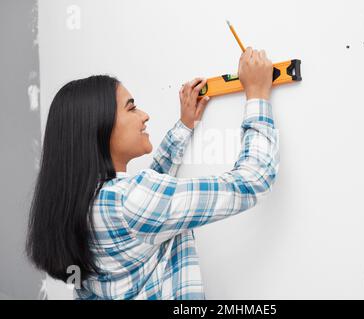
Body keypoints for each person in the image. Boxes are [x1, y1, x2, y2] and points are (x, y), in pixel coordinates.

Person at [26, 47, 279, 299]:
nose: (144, 116)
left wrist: (184, 126)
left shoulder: (81, 204)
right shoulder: (132, 201)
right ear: (99, 128)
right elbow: (253, 181)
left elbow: (148, 205)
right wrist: (257, 95)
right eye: (131, 107)